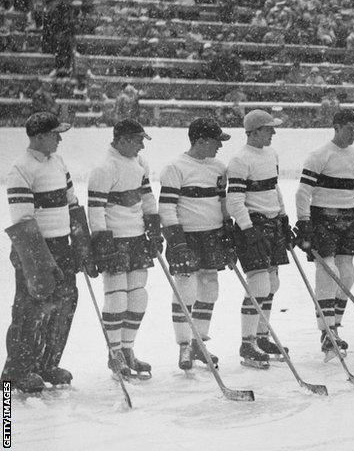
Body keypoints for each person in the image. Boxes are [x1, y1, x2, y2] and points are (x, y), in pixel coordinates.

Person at [2, 112, 80, 392]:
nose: (60, 139)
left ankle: (47, 363)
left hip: (62, 245)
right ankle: (17, 372)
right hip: (34, 248)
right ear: (38, 137)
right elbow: (23, 220)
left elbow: (72, 202)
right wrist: (41, 260)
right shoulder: (21, 169)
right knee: (31, 308)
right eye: (54, 134)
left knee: (65, 303)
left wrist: (80, 238)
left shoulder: (58, 161)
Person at [86, 119, 161, 378]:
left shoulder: (140, 164)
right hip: (115, 240)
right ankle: (114, 352)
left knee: (138, 296)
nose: (142, 146)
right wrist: (103, 245)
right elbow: (95, 211)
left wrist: (154, 227)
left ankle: (128, 350)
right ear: (123, 140)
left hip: (138, 237)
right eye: (139, 140)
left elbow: (147, 198)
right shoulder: (104, 168)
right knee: (117, 297)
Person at [294, 109, 354, 355]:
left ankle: (335, 327)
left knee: (347, 275)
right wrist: (304, 223)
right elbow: (302, 193)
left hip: (348, 220)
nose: (353, 134)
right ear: (337, 128)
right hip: (322, 220)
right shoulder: (319, 155)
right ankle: (326, 332)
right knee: (329, 273)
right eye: (350, 129)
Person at [158, 118, 234, 370]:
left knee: (210, 287)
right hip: (186, 236)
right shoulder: (175, 168)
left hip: (212, 234)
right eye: (215, 142)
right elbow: (167, 208)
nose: (219, 147)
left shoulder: (219, 168)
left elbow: (223, 204)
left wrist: (228, 230)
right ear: (200, 141)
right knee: (186, 287)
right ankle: (184, 346)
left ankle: (199, 342)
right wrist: (176, 241)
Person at [226, 109, 291, 369]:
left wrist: (284, 217)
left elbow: (274, 188)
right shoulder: (240, 160)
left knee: (272, 283)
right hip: (253, 225)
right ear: (253, 132)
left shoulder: (271, 155)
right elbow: (234, 200)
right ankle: (247, 342)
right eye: (268, 129)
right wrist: (247, 227)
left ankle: (262, 338)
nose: (273, 132)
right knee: (259, 284)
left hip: (273, 223)